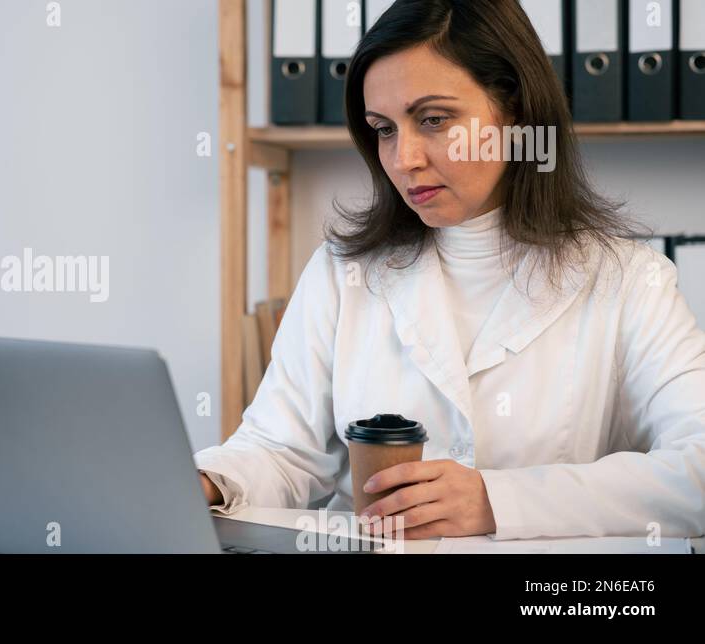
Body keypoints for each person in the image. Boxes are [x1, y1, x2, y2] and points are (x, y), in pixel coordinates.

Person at [195, 0, 705, 541]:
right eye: (383, 129)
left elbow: (697, 467)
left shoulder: (629, 280)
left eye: (434, 120)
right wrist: (205, 483)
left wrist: (497, 501)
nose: (404, 158)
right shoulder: (341, 273)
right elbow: (279, 450)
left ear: (515, 112)